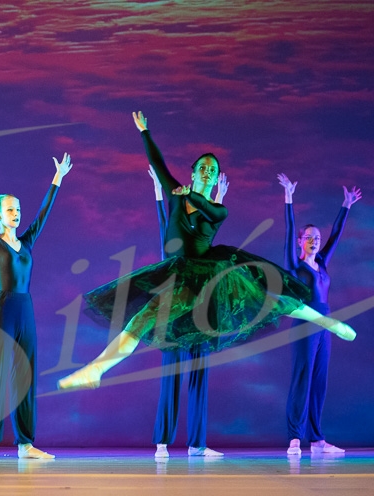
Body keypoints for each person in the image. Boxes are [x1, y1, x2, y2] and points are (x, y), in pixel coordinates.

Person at [57, 111, 356, 417]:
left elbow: (208, 211)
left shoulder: (218, 209)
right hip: (179, 276)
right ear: (193, 173)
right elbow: (158, 165)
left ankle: (329, 323)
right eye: (202, 167)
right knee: (141, 320)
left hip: (209, 275)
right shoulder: (177, 195)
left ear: (214, 179)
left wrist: (191, 195)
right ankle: (96, 370)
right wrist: (144, 132)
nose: (207, 172)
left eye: (212, 170)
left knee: (270, 300)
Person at [0, 135, 71, 461]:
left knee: (25, 376)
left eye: (18, 209)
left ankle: (25, 444)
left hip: (25, 309)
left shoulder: (27, 241)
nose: (16, 214)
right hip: (2, 309)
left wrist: (57, 179)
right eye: (10, 210)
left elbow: (43, 214)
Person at [277, 173, 362, 456]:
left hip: (326, 325)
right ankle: (295, 438)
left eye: (317, 238)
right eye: (309, 238)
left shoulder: (322, 263)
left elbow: (336, 235)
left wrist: (346, 205)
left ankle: (317, 439)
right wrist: (289, 197)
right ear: (300, 242)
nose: (314, 241)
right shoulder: (295, 265)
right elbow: (289, 229)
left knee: (319, 382)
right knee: (302, 378)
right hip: (305, 325)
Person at [148, 165, 229, 458]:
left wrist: (218, 198)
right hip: (173, 305)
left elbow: (210, 228)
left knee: (198, 373)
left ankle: (197, 444)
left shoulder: (201, 231)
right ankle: (162, 443)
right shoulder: (173, 228)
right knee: (171, 373)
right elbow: (164, 221)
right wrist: (158, 191)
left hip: (199, 306)